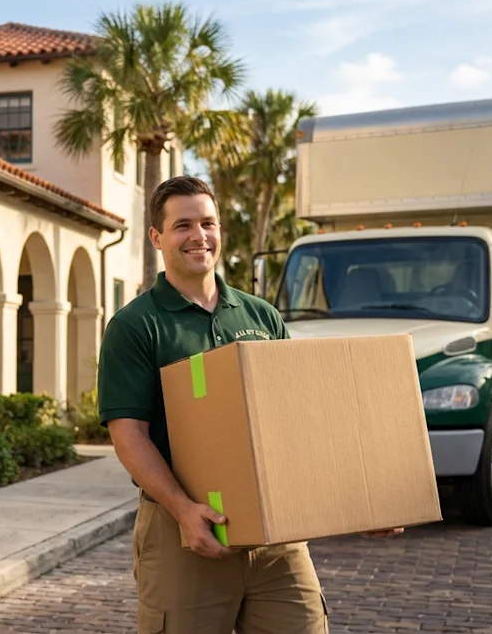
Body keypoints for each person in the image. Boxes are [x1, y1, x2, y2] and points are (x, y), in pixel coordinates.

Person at [97, 176, 403, 634]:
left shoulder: (262, 316)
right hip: (185, 532)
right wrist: (184, 509)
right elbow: (128, 435)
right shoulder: (136, 325)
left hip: (277, 536)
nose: (199, 236)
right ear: (157, 237)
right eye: (183, 226)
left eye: (208, 223)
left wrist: (361, 503)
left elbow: (295, 422)